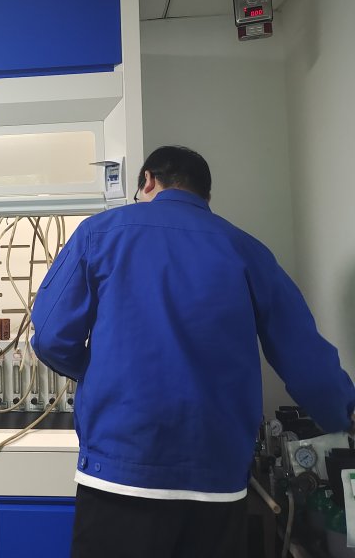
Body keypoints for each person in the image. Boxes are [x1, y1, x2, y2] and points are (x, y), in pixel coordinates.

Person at [30, 145, 355, 558]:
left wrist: (98, 375)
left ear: (148, 180)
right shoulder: (246, 249)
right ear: (206, 194)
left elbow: (50, 337)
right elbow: (303, 354)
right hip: (216, 480)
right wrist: (343, 412)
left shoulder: (99, 234)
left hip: (121, 471)